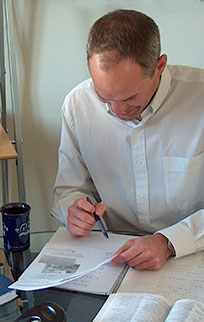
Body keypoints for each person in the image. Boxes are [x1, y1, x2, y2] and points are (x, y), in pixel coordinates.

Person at [52, 9, 204, 271]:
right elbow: (69, 188)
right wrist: (73, 210)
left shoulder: (199, 97)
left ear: (160, 65)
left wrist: (167, 242)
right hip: (113, 255)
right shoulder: (77, 105)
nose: (117, 110)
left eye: (130, 98)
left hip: (190, 252)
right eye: (103, 97)